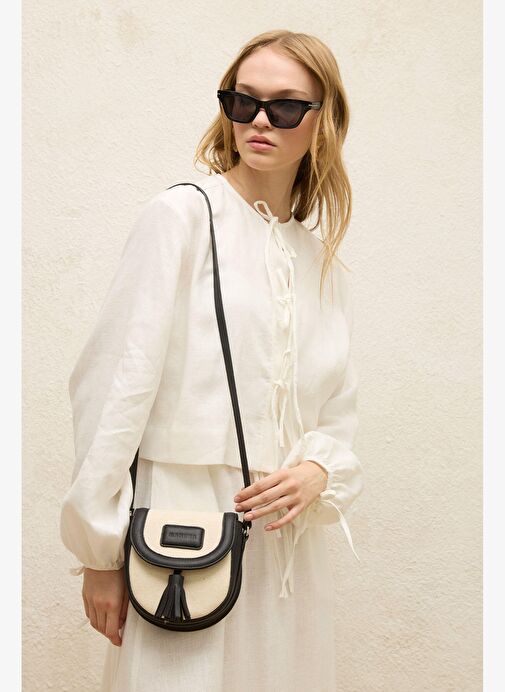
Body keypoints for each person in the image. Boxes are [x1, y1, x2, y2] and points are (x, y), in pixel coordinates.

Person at [60, 29, 365, 692]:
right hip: (184, 536)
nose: (260, 120)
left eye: (285, 106)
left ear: (324, 120)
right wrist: (100, 553)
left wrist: (318, 470)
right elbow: (113, 386)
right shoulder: (181, 217)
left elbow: (337, 411)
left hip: (287, 550)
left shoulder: (318, 259)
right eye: (242, 101)